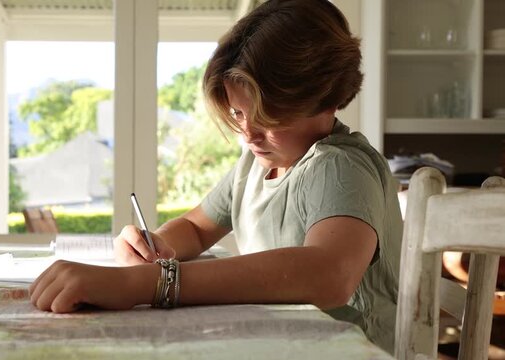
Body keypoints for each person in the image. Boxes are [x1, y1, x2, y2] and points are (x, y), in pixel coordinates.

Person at [29, 0, 403, 354]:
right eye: (239, 114)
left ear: (327, 99)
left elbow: (329, 275)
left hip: (345, 351)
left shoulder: (340, 165)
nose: (248, 133)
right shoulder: (255, 165)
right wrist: (155, 245)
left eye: (270, 116)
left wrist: (148, 283)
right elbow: (195, 228)